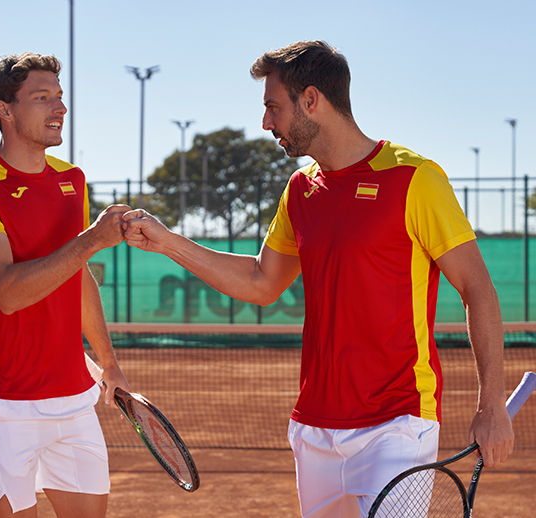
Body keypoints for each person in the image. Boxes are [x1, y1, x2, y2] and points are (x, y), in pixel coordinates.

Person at [122, 40, 515, 517]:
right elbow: (263, 281)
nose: (266, 123)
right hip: (313, 430)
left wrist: (491, 405)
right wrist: (166, 241)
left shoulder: (415, 178)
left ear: (311, 100)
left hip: (396, 426)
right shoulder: (301, 190)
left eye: (273, 107)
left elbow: (477, 287)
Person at [0, 53, 131, 518]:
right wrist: (90, 240)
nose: (59, 108)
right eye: (42, 98)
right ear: (5, 110)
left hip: (73, 397)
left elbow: (77, 272)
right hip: (3, 402)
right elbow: (6, 292)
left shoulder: (72, 180)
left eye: (60, 98)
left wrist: (110, 364)